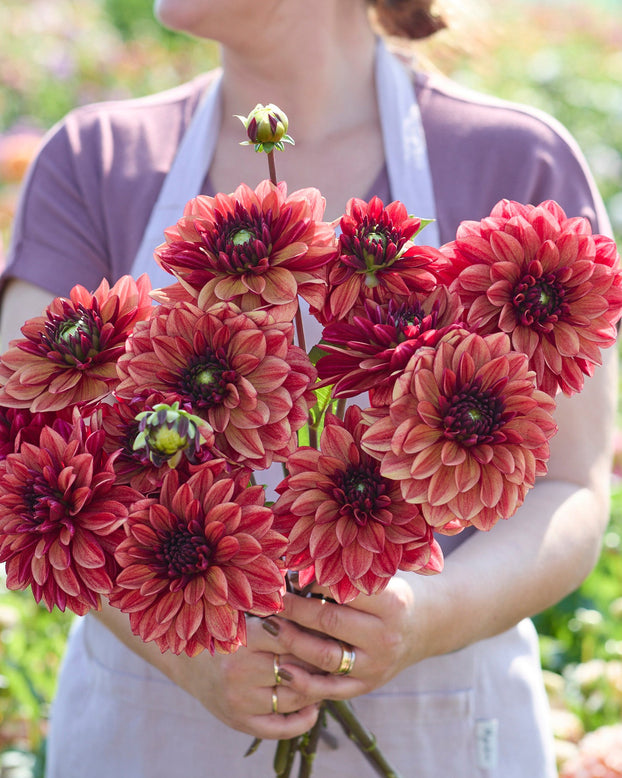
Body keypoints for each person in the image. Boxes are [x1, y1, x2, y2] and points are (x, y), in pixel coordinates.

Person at [0, 1, 617, 776]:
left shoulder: (515, 159)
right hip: (154, 717)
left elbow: (570, 486)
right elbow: (16, 459)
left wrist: (423, 616)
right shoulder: (96, 158)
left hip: (436, 715)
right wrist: (185, 647)